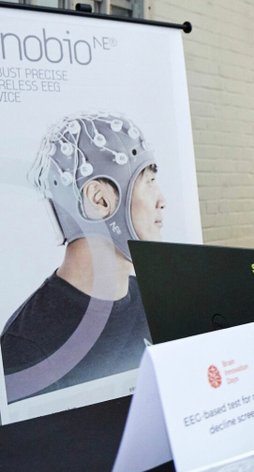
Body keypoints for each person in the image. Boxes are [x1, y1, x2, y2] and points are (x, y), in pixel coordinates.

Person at [2, 111, 164, 402]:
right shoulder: (26, 347)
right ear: (99, 200)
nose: (162, 201)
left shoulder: (156, 303)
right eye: (149, 180)